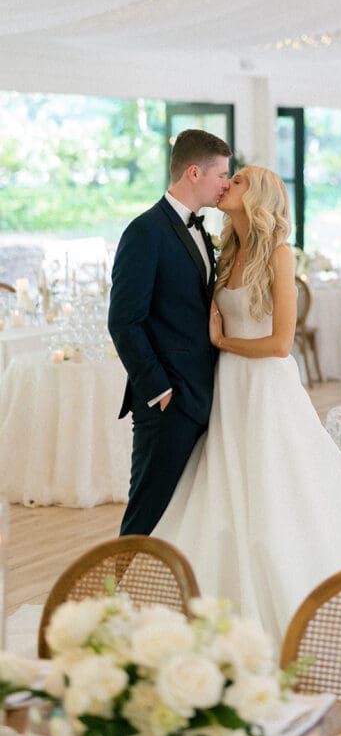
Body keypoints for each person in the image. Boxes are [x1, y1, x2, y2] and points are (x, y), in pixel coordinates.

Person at [152, 165, 341, 643]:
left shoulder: (278, 255)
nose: (226, 184)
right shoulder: (227, 250)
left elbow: (280, 344)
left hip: (265, 388)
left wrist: (222, 342)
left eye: (236, 181)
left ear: (255, 197)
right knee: (226, 487)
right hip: (229, 389)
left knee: (274, 492)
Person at [108, 128, 232, 536]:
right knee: (146, 512)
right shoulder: (145, 232)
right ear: (194, 173)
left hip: (204, 393)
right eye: (221, 175)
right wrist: (159, 390)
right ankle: (119, 596)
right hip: (169, 402)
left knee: (186, 517)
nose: (226, 184)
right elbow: (124, 320)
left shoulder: (202, 230)